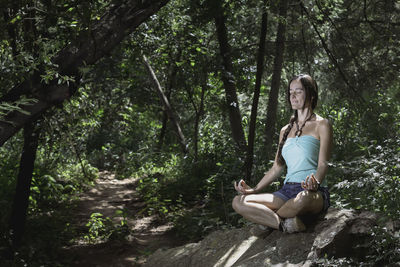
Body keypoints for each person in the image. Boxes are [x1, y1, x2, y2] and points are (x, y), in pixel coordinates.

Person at [232, 74, 333, 233]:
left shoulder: (322, 124)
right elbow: (276, 169)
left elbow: (323, 164)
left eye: (298, 91)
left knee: (302, 199)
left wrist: (316, 182)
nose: (292, 96)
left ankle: (267, 220)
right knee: (238, 202)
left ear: (311, 95)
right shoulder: (285, 130)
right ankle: (284, 224)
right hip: (286, 192)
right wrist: (254, 189)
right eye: (290, 91)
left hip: (312, 193)